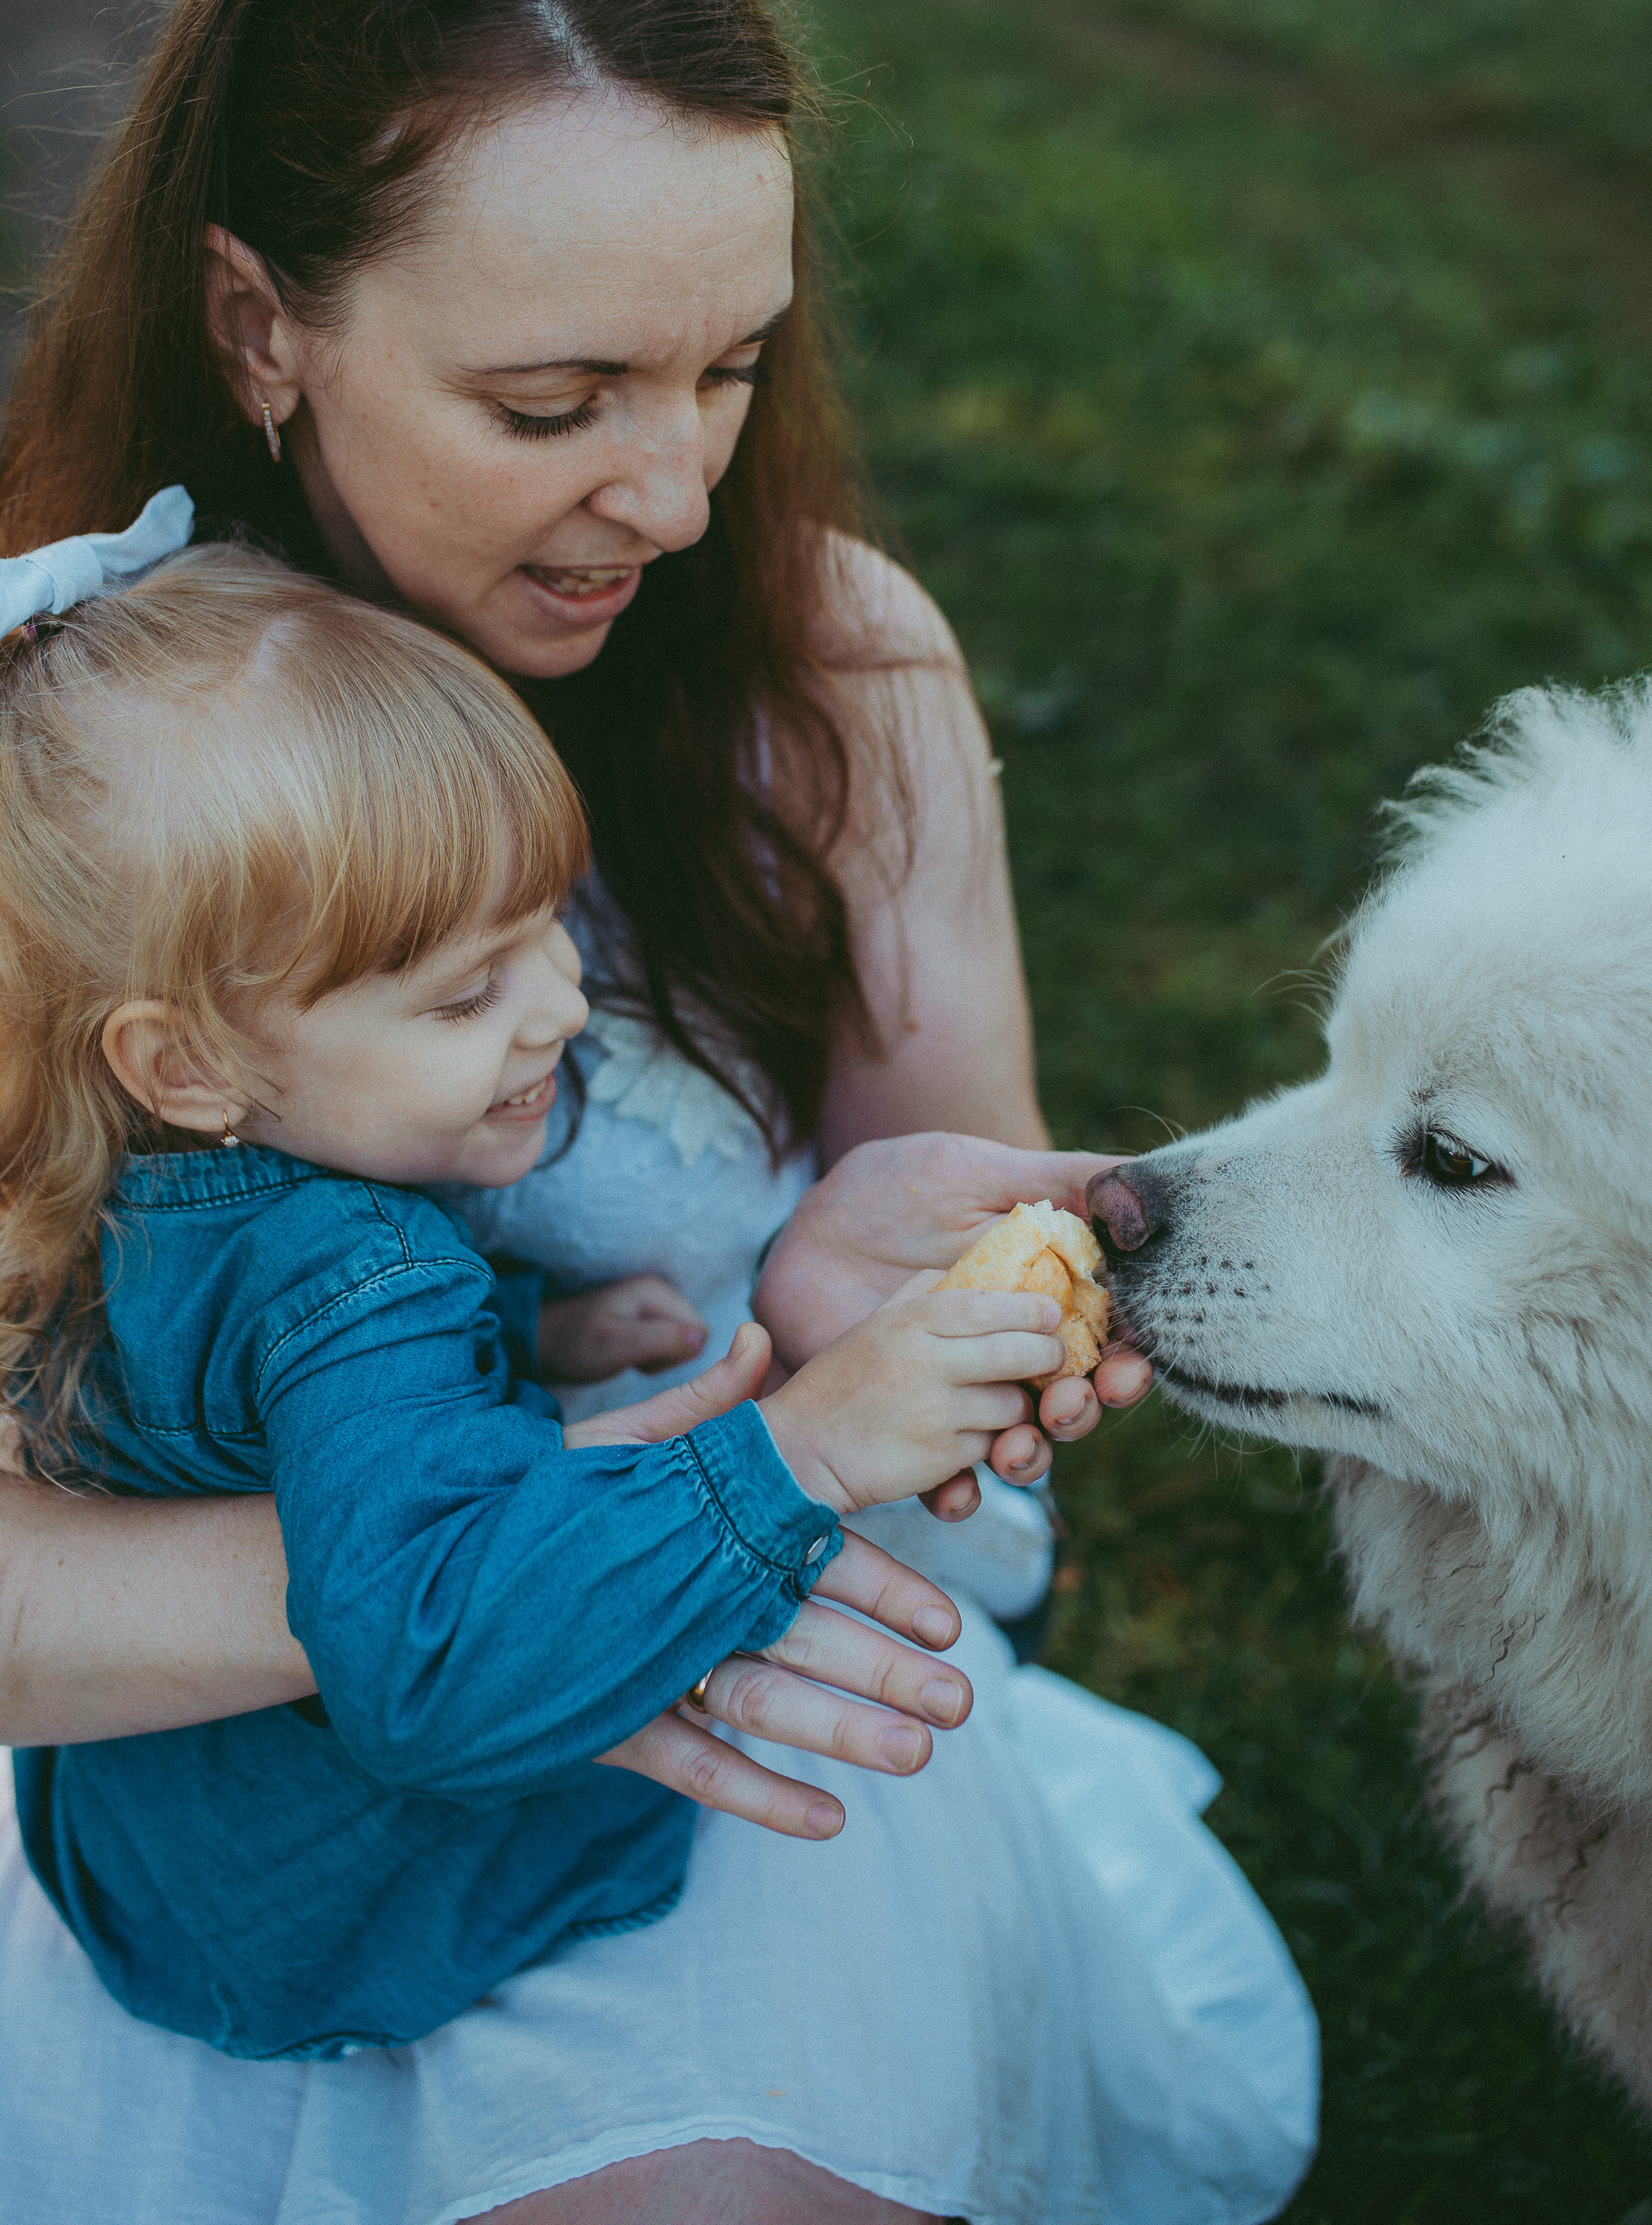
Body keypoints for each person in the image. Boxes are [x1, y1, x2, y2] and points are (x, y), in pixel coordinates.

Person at [0, 0, 1317, 2220]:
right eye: (554, 403)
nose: (680, 493)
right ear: (259, 324)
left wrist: (849, 1304)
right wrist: (555, 1562)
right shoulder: (45, 765)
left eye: (726, 368)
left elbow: (943, 1458)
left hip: (731, 1744)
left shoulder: (826, 677)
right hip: (188, 1798)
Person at [5, 545, 1074, 2061]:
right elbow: (429, 1660)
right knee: (810, 1849)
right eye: (463, 996)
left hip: (152, 1856)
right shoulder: (359, 1278)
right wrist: (804, 1453)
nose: (563, 1008)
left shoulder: (137, 1179)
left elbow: (244, 1390)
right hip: (335, 1911)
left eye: (546, 929)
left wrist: (532, 1338)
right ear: (185, 1061)